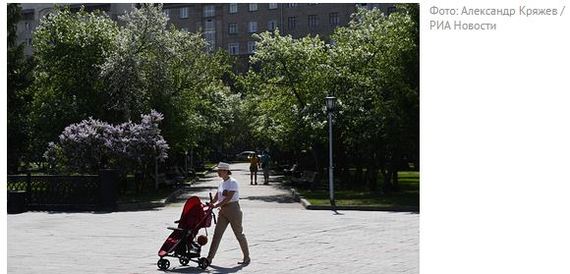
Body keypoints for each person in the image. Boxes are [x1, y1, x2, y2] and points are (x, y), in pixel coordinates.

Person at [206, 162, 251, 266]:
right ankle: (209, 258)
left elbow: (229, 197)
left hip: (233, 209)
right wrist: (211, 203)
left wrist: (216, 205)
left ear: (226, 171)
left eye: (220, 170)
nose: (218, 172)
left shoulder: (233, 182)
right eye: (218, 171)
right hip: (223, 211)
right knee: (217, 235)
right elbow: (217, 196)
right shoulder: (221, 183)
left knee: (239, 234)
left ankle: (246, 257)